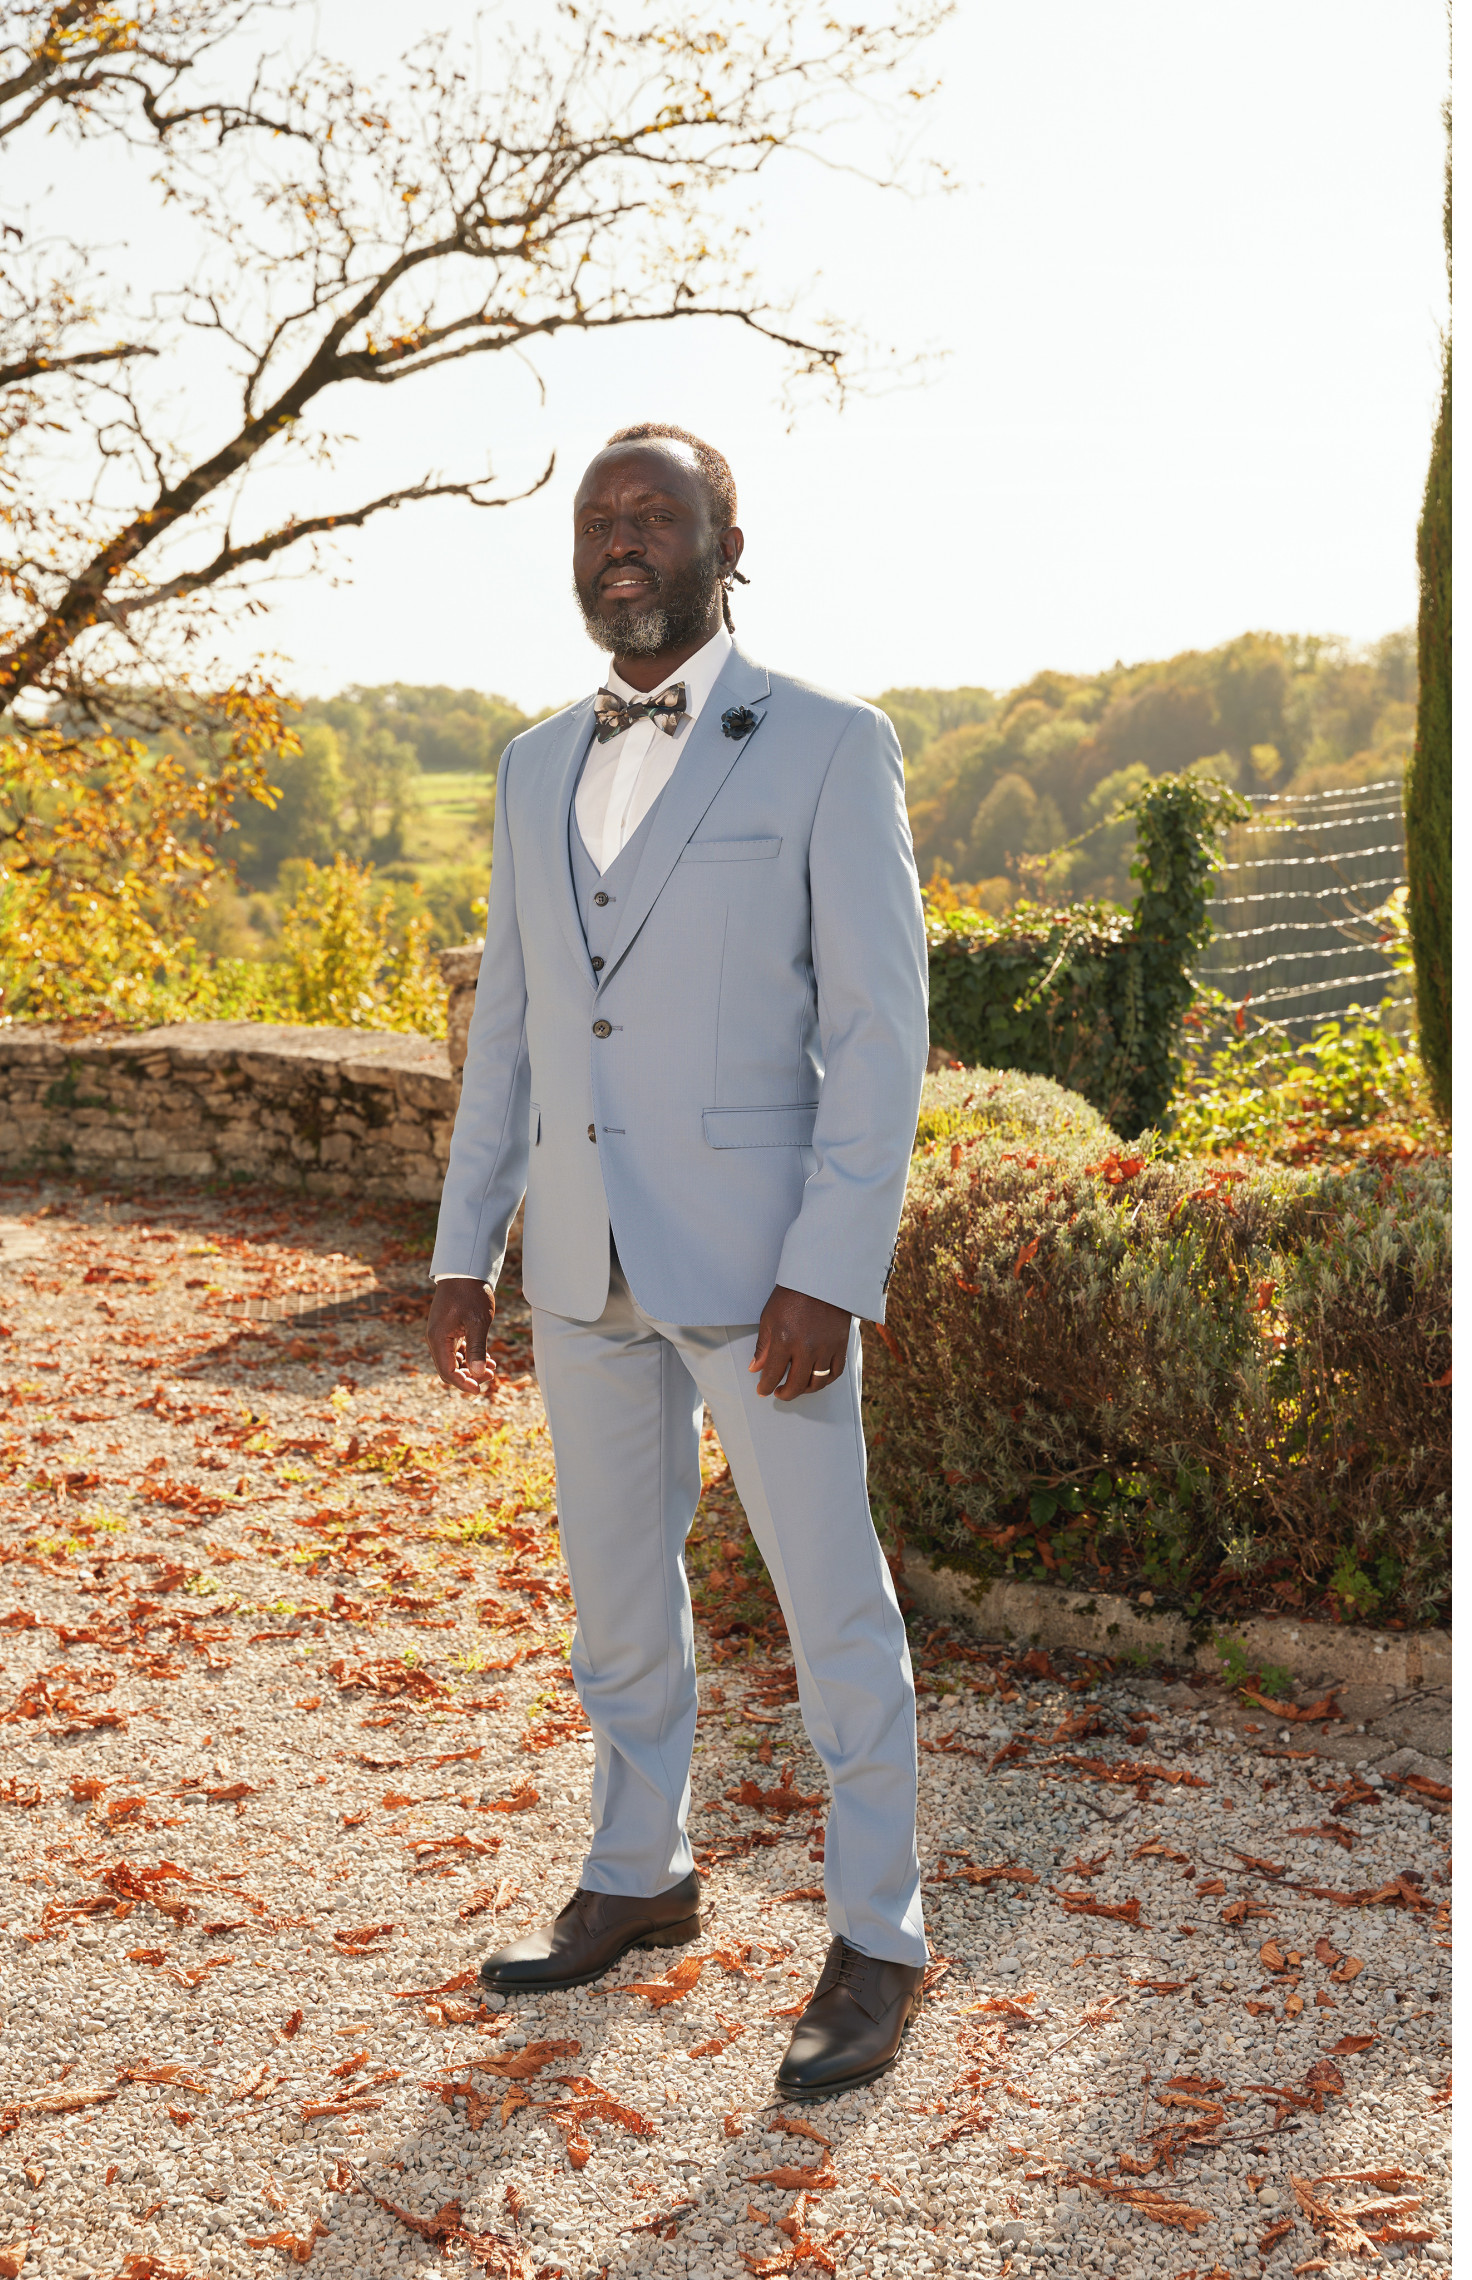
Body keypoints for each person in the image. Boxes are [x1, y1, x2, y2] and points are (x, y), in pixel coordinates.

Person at [425, 422, 930, 2100]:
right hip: (580, 1262)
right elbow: (510, 1025)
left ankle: (880, 1934)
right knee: (619, 1607)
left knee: (829, 1608)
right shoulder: (521, 766)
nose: (620, 542)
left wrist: (831, 1266)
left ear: (728, 536)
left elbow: (876, 1037)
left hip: (762, 1272)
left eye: (655, 514)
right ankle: (640, 1875)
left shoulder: (828, 746)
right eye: (597, 519)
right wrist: (461, 1245)